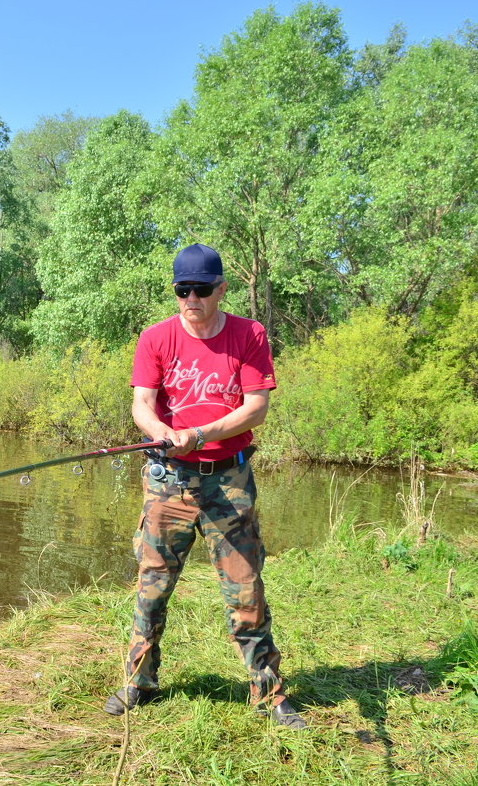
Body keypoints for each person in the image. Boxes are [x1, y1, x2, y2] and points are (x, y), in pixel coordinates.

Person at [102, 243, 305, 729]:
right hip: (167, 483)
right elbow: (141, 404)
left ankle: (268, 693)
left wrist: (198, 435)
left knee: (246, 588)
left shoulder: (248, 334)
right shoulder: (155, 338)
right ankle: (138, 681)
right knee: (152, 585)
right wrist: (159, 433)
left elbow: (256, 407)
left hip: (228, 480)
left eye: (200, 290)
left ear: (220, 289)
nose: (190, 299)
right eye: (181, 290)